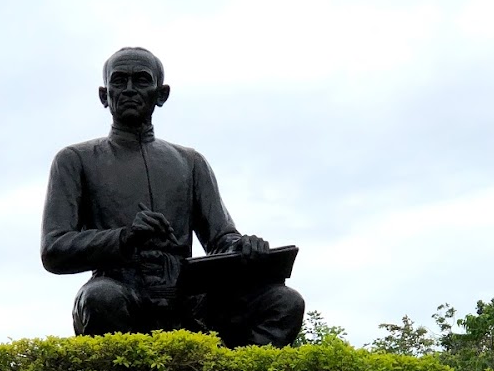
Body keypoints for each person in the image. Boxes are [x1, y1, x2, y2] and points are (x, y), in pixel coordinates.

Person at [40, 47, 304, 346]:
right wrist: (124, 237)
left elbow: (220, 238)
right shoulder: (76, 159)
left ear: (161, 94)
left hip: (190, 299)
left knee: (284, 302)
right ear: (104, 95)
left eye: (141, 80)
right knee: (100, 298)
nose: (128, 90)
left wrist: (242, 246)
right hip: (122, 290)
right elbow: (55, 248)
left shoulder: (190, 162)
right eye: (119, 81)